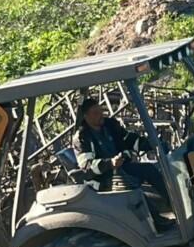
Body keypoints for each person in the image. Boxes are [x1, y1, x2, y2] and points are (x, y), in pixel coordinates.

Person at [73, 97, 170, 226]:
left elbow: (129, 139)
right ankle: (156, 221)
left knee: (150, 169)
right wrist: (110, 163)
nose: (101, 115)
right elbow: (87, 166)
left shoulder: (109, 125)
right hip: (101, 178)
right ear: (86, 117)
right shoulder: (82, 137)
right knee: (132, 183)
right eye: (95, 113)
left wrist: (152, 145)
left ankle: (174, 202)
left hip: (120, 168)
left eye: (101, 111)